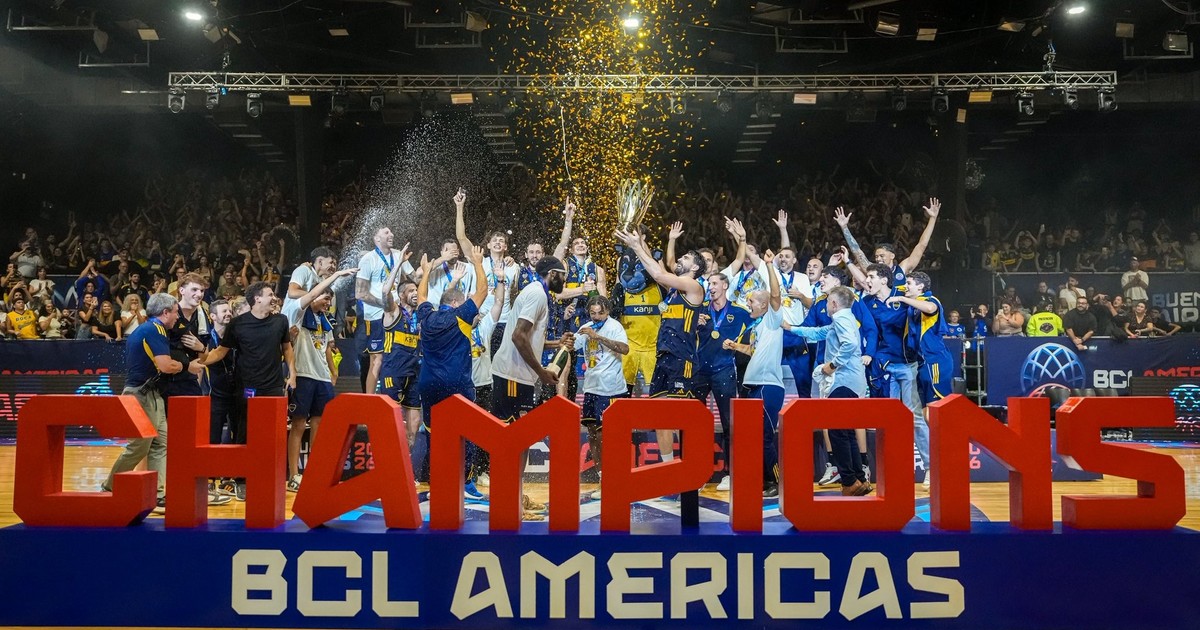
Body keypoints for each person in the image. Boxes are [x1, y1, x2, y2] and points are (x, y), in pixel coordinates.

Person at [614, 225, 707, 466]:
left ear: (694, 268)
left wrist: (637, 246)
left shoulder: (694, 287)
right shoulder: (673, 291)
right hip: (663, 356)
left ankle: (692, 466)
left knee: (679, 417)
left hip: (681, 358)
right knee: (659, 416)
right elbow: (654, 268)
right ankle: (668, 468)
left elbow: (658, 274)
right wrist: (640, 243)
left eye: (686, 258)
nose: (680, 259)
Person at [101, 293, 197, 514]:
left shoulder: (147, 329)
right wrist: (185, 367)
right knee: (139, 446)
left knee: (160, 443)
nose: (177, 317)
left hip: (150, 393)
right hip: (141, 394)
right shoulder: (155, 330)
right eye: (175, 312)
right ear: (165, 313)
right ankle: (109, 486)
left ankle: (159, 494)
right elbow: (165, 366)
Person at [199, 282, 295, 501]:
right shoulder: (237, 324)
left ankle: (270, 477)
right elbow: (221, 352)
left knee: (273, 434)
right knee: (245, 432)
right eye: (270, 294)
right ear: (257, 299)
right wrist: (199, 361)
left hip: (273, 387)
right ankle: (241, 480)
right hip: (247, 388)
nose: (274, 298)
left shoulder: (281, 321)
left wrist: (293, 373)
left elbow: (287, 348)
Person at [491, 255, 572, 517]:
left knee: (520, 440)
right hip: (513, 376)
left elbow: (528, 338)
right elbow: (518, 337)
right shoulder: (537, 294)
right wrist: (542, 372)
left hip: (516, 376)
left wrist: (556, 343)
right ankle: (510, 502)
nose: (565, 279)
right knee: (515, 442)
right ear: (552, 274)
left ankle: (516, 496)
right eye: (563, 274)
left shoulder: (537, 292)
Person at [791, 286, 873, 496]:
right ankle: (859, 479)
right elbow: (818, 332)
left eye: (828, 301)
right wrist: (790, 327)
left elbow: (849, 344)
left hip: (843, 382)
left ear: (834, 304)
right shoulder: (845, 319)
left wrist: (832, 365)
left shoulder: (841, 319)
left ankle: (849, 481)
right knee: (846, 431)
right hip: (851, 382)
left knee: (837, 431)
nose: (826, 305)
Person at [282, 267, 357, 492]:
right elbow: (310, 294)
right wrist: (334, 277)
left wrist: (333, 373)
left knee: (319, 424)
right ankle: (293, 475)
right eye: (325, 298)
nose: (328, 303)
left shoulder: (325, 319)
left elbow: (326, 348)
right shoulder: (297, 311)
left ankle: (313, 472)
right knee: (298, 424)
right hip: (303, 374)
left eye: (330, 300)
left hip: (322, 378)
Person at [723, 250, 786, 498]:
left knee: (764, 437)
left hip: (768, 386)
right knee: (752, 437)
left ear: (764, 305)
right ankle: (760, 480)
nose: (747, 304)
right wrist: (735, 346)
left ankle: (776, 482)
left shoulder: (772, 319)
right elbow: (753, 351)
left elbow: (776, 295)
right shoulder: (758, 326)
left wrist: (769, 265)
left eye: (751, 301)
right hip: (751, 386)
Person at [888, 271, 955, 489]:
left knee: (937, 413)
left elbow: (930, 308)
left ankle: (947, 461)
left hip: (936, 361)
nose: (905, 286)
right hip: (921, 363)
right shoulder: (911, 301)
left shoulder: (930, 299)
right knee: (925, 414)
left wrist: (901, 297)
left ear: (920, 287)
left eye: (910, 283)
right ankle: (935, 465)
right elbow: (887, 284)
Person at [695, 272, 752, 492]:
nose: (710, 287)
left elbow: (757, 329)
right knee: (695, 424)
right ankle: (697, 472)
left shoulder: (739, 312)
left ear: (725, 286)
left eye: (714, 283)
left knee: (730, 424)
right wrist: (692, 325)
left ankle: (730, 473)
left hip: (724, 371)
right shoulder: (700, 311)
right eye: (708, 284)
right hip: (699, 372)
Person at [572, 295, 630, 500]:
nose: (596, 317)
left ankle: (616, 479)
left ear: (608, 312)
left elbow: (625, 349)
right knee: (592, 434)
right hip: (591, 388)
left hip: (612, 389)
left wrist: (598, 337)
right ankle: (602, 479)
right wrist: (566, 340)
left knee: (607, 437)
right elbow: (572, 345)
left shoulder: (615, 327)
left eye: (600, 313)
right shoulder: (586, 327)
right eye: (593, 313)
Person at [836, 199, 941, 296]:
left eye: (882, 256)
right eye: (876, 256)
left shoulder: (902, 268)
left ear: (892, 256)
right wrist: (844, 227)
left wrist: (932, 218)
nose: (878, 259)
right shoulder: (872, 269)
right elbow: (857, 251)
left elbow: (921, 245)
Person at [356, 227, 407, 396]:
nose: (391, 234)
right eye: (386, 233)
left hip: (397, 316)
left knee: (396, 358)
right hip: (376, 317)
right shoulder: (368, 259)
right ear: (376, 239)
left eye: (391, 232)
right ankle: (369, 402)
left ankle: (394, 398)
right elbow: (360, 293)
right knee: (376, 360)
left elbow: (412, 279)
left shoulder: (398, 255)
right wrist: (385, 304)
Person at [380, 271, 424, 447]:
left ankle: (409, 454)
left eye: (416, 290)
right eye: (411, 290)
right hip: (394, 371)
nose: (415, 293)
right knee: (391, 416)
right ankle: (391, 453)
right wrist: (399, 263)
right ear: (401, 295)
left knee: (415, 420)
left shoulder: (418, 316)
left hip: (414, 372)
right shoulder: (393, 312)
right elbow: (385, 292)